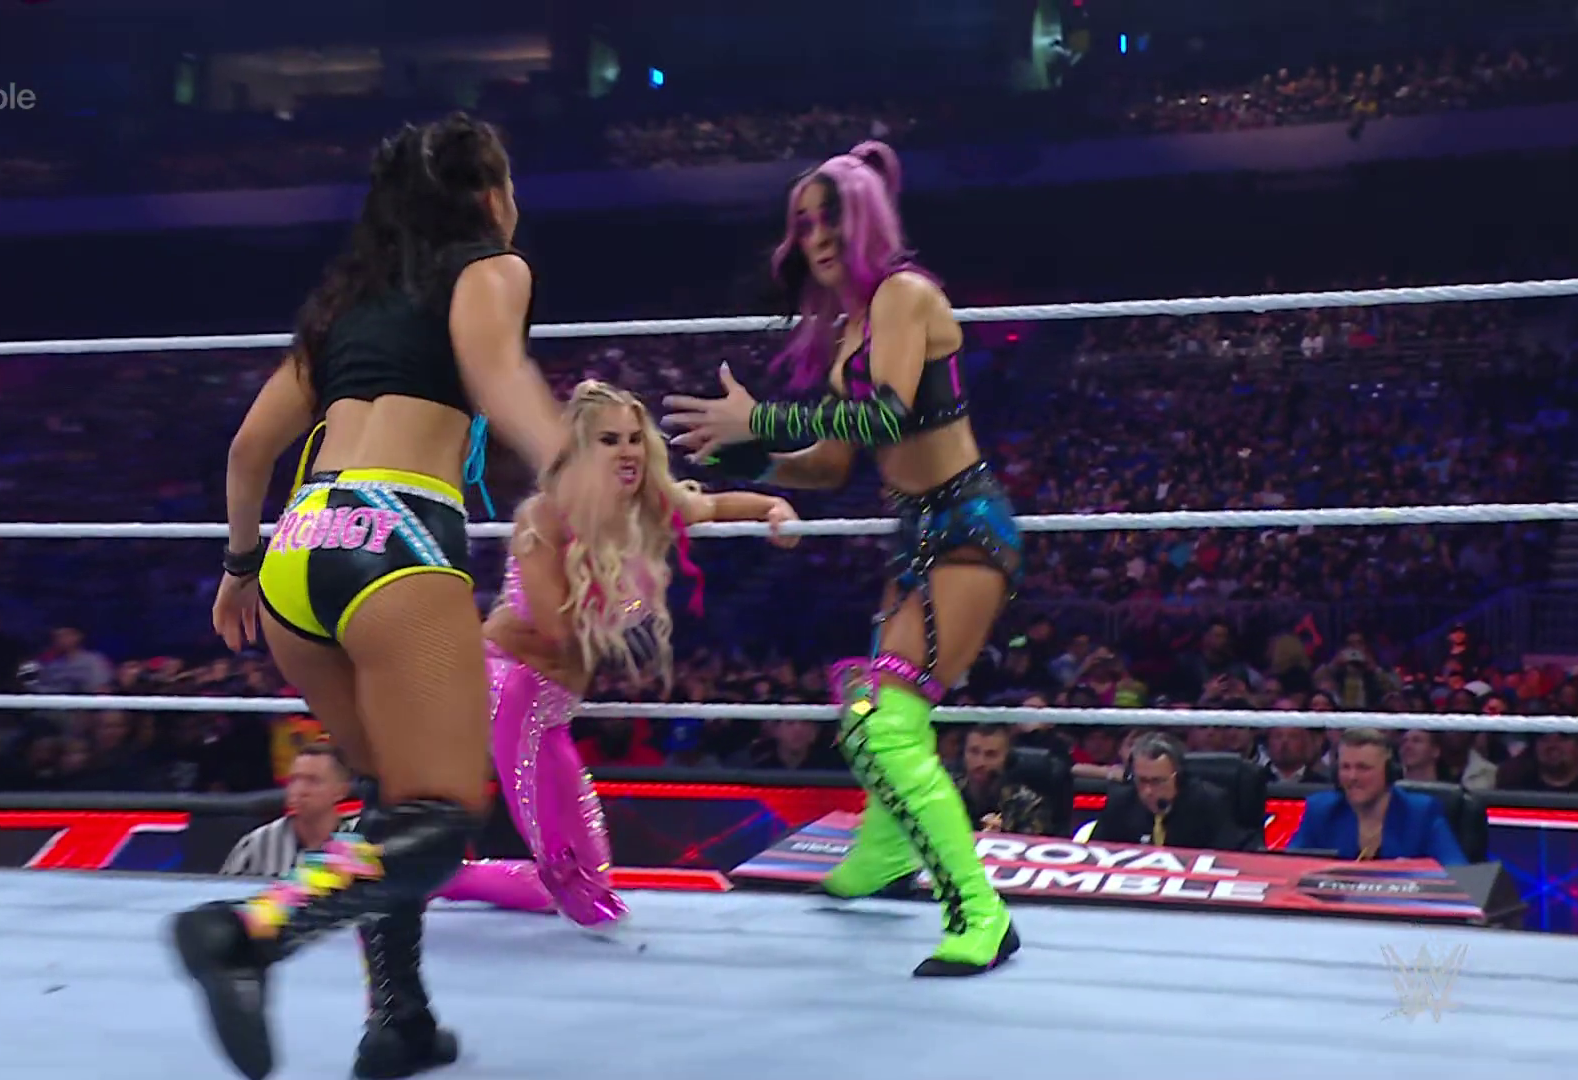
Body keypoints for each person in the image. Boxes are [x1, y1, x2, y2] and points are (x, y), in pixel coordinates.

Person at [169, 112, 592, 1080]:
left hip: (298, 545)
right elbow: (498, 375)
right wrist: (572, 470)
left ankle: (398, 1020)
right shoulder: (491, 268)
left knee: (392, 804)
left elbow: (246, 452)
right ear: (486, 195)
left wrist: (239, 568)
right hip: (394, 536)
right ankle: (249, 932)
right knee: (440, 821)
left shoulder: (342, 308)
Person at [662, 141, 1020, 977]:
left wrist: (763, 420)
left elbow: (887, 415)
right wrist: (744, 458)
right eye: (804, 224)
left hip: (966, 523)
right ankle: (885, 856)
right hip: (916, 532)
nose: (817, 237)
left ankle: (980, 911)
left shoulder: (904, 294)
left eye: (831, 219)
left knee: (884, 721)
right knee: (875, 717)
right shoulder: (850, 331)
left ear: (863, 222)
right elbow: (827, 466)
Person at [434, 379, 800, 927]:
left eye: (633, 438)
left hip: (554, 708)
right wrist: (621, 572)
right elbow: (555, 628)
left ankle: (432, 877)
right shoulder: (544, 516)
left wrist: (774, 506)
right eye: (609, 440)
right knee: (574, 880)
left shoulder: (647, 510)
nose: (627, 451)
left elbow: (715, 505)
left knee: (591, 876)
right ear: (580, 451)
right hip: (511, 687)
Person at [1289, 728, 1468, 864]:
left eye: (1363, 768)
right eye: (1345, 767)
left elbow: (1457, 872)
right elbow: (1289, 866)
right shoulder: (1321, 810)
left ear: (1389, 772)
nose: (1352, 777)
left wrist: (1414, 875)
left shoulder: (1420, 813)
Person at [1088, 733, 1250, 851]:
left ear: (1177, 775)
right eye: (1142, 780)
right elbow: (1095, 854)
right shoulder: (1121, 802)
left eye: (1157, 781)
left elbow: (1228, 858)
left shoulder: (1209, 803)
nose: (1148, 791)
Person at [220, 742, 357, 878]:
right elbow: (226, 889)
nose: (299, 790)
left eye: (312, 781)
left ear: (341, 791)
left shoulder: (357, 844)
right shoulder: (258, 843)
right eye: (294, 780)